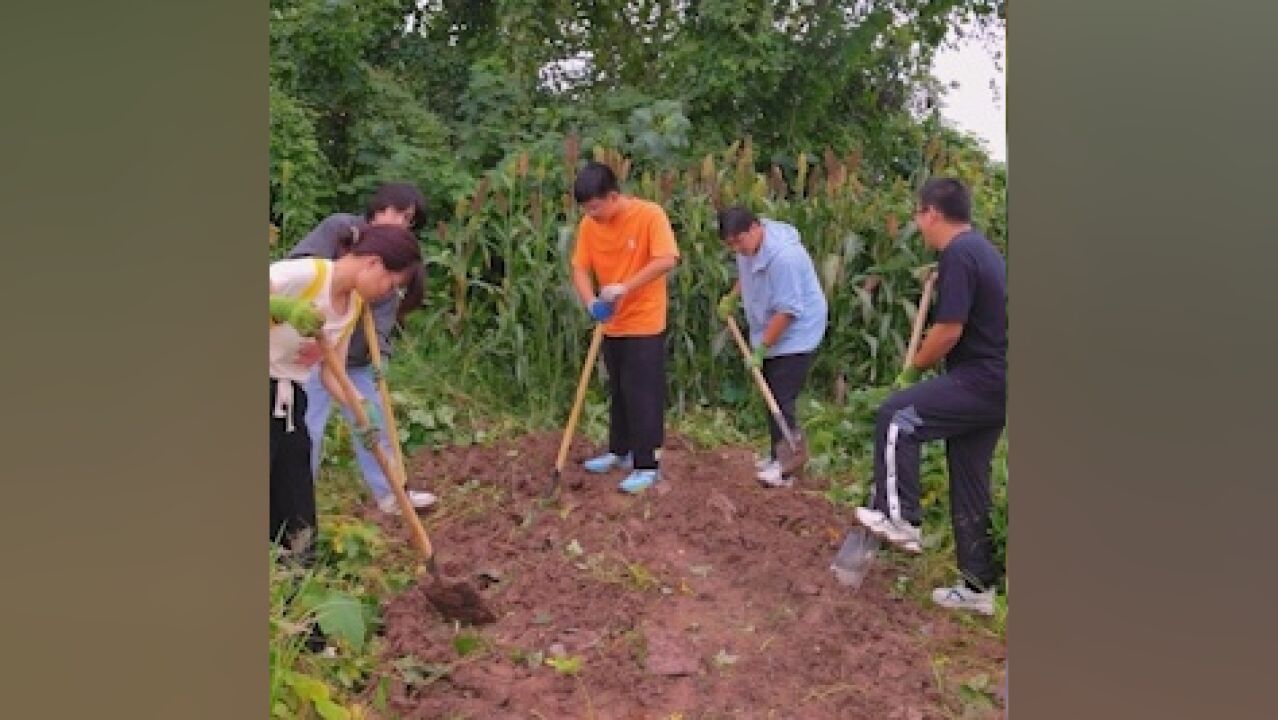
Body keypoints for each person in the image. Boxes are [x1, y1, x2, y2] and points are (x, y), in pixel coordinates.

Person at [853, 177, 1007, 616]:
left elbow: (948, 330)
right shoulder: (979, 250)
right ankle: (977, 586)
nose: (917, 225)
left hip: (979, 377)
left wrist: (912, 369)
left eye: (918, 215)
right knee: (970, 479)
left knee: (896, 416)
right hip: (1000, 385)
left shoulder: (959, 253)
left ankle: (900, 518)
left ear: (932, 213)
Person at [269, 224, 425, 562]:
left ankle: (294, 587)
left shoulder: (352, 306)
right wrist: (284, 310)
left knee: (296, 503)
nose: (386, 293)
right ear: (372, 262)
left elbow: (332, 372)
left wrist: (363, 410)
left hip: (289, 400)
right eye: (390, 282)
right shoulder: (308, 274)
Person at [287, 183, 436, 515]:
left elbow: (382, 322)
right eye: (399, 213)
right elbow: (298, 268)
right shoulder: (340, 230)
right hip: (310, 353)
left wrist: (380, 359)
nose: (402, 223)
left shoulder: (394, 264)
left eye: (409, 220)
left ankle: (391, 494)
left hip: (352, 358)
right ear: (380, 207)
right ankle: (297, 502)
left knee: (373, 420)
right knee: (306, 427)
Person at [569, 162, 681, 494]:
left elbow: (667, 259)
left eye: (595, 207)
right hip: (611, 322)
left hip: (644, 320)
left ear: (614, 196)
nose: (591, 214)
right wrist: (591, 302)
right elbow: (579, 267)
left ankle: (647, 465)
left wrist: (625, 287)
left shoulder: (649, 216)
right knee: (618, 389)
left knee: (642, 393)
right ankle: (620, 451)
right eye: (586, 209)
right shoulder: (589, 226)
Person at [716, 207, 828, 487]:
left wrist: (763, 348)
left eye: (739, 241)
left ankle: (786, 470)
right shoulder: (748, 248)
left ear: (755, 228)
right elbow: (749, 274)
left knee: (780, 396)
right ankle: (777, 455)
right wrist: (732, 297)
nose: (737, 249)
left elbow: (788, 310)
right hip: (770, 326)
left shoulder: (784, 258)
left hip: (798, 331)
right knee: (771, 394)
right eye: (730, 245)